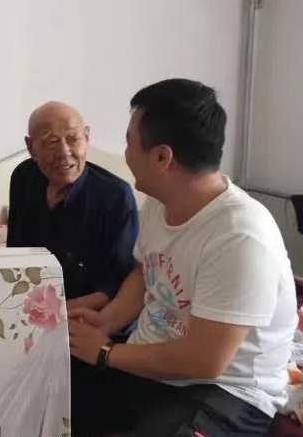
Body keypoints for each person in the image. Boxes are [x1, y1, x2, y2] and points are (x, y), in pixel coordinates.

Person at [68, 79, 297, 436]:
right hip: (150, 364)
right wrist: (107, 321)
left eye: (129, 141)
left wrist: (106, 352)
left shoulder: (240, 236)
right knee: (56, 397)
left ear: (162, 157)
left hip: (225, 390)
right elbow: (146, 270)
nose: (125, 153)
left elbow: (205, 360)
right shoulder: (159, 201)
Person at [8, 101, 138, 313]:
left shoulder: (115, 196)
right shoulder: (24, 177)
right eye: (51, 142)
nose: (64, 152)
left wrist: (57, 312)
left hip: (91, 315)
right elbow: (15, 256)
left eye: (73, 139)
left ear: (86, 137)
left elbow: (118, 285)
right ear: (31, 148)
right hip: (30, 309)